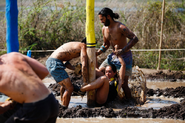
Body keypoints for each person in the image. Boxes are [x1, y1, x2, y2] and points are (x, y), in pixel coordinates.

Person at [0, 52, 59, 123]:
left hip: (34, 107)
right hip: (51, 101)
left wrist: (7, 105)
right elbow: (44, 71)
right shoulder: (14, 55)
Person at [96, 7, 139, 99]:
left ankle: (129, 102)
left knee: (123, 84)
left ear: (108, 17)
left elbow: (135, 38)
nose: (101, 22)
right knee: (98, 73)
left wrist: (122, 50)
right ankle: (108, 97)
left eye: (102, 19)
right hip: (112, 57)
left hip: (125, 57)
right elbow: (106, 45)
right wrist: (97, 53)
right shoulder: (104, 29)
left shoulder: (120, 27)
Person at [46, 40, 88, 108]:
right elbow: (84, 65)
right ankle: (64, 109)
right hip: (55, 63)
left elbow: (66, 62)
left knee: (65, 85)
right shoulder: (83, 46)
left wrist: (75, 69)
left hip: (51, 62)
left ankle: (62, 103)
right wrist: (85, 82)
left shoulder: (73, 46)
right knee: (70, 88)